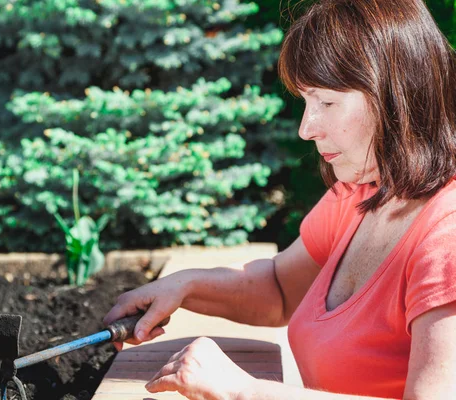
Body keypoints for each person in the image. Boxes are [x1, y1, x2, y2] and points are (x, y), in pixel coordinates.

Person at [102, 0, 456, 398]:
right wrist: (182, 287)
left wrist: (244, 391)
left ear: (395, 95)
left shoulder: (446, 237)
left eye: (326, 102)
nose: (307, 128)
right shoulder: (363, 192)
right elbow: (280, 289)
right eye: (306, 101)